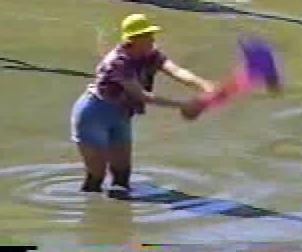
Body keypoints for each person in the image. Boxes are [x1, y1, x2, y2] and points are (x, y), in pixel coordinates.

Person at [71, 13, 214, 195]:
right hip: (94, 114)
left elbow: (177, 71)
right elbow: (143, 96)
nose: (152, 39)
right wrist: (183, 105)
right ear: (133, 40)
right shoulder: (118, 62)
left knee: (122, 174)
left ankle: (119, 210)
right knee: (96, 177)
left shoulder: (151, 54)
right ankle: (89, 209)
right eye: (147, 36)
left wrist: (204, 85)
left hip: (121, 114)